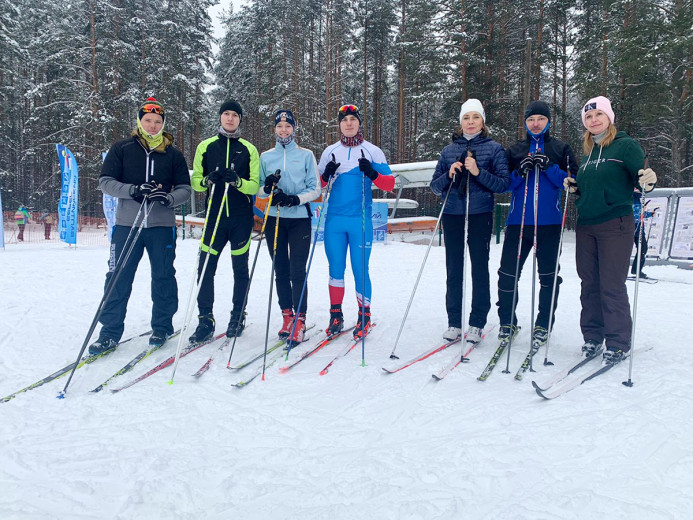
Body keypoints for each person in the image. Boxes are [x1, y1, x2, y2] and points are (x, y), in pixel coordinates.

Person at [91, 97, 191, 354]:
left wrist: (167, 198)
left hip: (161, 225)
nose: (153, 125)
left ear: (163, 123)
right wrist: (132, 190)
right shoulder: (123, 148)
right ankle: (110, 332)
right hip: (127, 225)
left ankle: (162, 326)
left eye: (158, 121)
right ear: (139, 121)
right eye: (148, 120)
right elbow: (105, 182)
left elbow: (185, 189)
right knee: (118, 277)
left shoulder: (173, 154)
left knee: (163, 276)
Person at [564, 96, 657, 363]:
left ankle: (618, 342)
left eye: (598, 115)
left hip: (615, 223)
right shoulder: (587, 151)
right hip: (586, 225)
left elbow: (643, 179)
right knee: (589, 284)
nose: (593, 120)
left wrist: (649, 180)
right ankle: (593, 337)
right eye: (588, 117)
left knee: (612, 284)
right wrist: (576, 187)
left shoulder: (625, 146)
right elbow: (592, 185)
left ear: (609, 117)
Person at [497, 100, 578, 347]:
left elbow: (573, 183)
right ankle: (507, 321)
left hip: (549, 224)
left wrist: (549, 167)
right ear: (525, 123)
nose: (536, 123)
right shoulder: (515, 150)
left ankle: (543, 325)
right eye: (531, 119)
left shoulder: (560, 148)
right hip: (517, 223)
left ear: (548, 122)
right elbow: (504, 185)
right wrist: (519, 171)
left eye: (541, 119)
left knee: (548, 277)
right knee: (507, 275)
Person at [430, 99, 510, 343]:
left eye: (475, 117)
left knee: (479, 268)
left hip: (479, 213)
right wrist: (449, 173)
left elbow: (504, 184)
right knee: (454, 268)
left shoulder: (494, 148)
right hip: (453, 213)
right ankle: (454, 322)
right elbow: (434, 186)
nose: (471, 122)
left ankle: (476, 322)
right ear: (460, 121)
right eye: (467, 118)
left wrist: (477, 172)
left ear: (482, 121)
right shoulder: (448, 150)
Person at [317, 104, 395, 339]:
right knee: (335, 270)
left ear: (359, 123)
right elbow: (317, 186)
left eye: (353, 119)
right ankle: (336, 315)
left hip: (360, 221)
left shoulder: (373, 151)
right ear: (339, 125)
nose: (349, 123)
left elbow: (389, 185)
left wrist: (372, 173)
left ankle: (364, 316)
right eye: (344, 120)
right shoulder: (330, 151)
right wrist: (326, 175)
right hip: (334, 222)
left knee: (360, 269)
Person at [189, 99, 260, 343]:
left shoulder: (249, 149)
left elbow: (255, 187)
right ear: (220, 117)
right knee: (206, 268)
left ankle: (237, 315)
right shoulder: (206, 147)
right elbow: (195, 181)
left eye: (235, 115)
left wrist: (238, 181)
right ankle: (205, 319)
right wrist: (209, 179)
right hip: (214, 218)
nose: (230, 119)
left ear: (240, 119)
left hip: (240, 219)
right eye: (226, 114)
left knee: (240, 269)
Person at [258, 110, 320, 343]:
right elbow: (259, 189)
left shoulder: (306, 155)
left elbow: (316, 188)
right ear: (274, 129)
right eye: (280, 126)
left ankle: (300, 320)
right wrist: (268, 189)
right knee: (280, 270)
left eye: (288, 126)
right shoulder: (266, 156)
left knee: (297, 271)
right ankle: (287, 316)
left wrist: (295, 199)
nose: (284, 130)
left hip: (298, 219)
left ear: (294, 128)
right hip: (274, 218)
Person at [631, 188, 655, 279]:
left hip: (638, 229)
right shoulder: (632, 198)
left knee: (642, 248)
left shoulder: (637, 198)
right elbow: (635, 214)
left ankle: (636, 270)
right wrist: (644, 211)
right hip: (632, 228)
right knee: (641, 248)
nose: (642, 192)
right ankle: (634, 270)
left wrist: (649, 214)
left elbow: (639, 214)